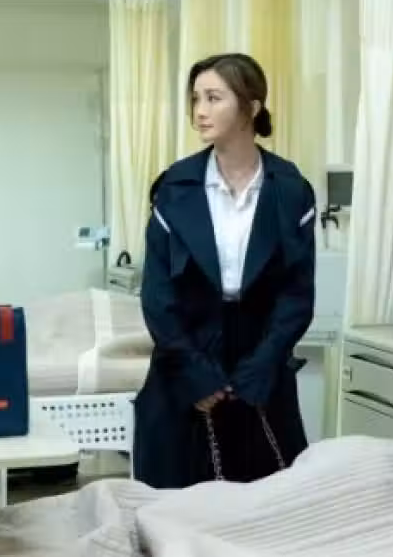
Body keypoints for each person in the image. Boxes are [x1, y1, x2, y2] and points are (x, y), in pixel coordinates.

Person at [133, 53, 317, 488]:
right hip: (186, 355)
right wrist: (194, 371)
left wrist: (264, 364)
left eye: (213, 98)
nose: (200, 110)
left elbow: (296, 294)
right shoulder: (175, 187)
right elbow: (158, 296)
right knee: (176, 497)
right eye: (196, 98)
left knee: (268, 493)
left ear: (251, 106)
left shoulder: (291, 189)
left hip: (262, 357)